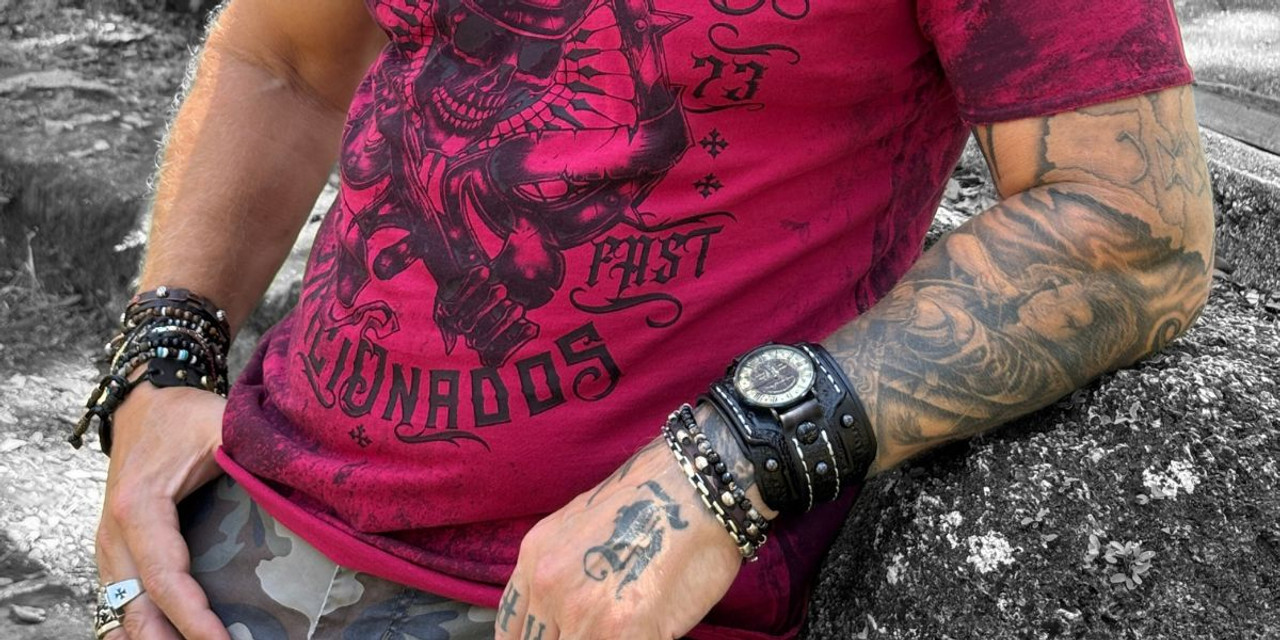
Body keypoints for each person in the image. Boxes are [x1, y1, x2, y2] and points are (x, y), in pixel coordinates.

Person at [84, 0, 1213, 638]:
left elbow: (1129, 221)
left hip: (586, 599)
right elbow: (283, 60)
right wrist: (162, 359)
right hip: (226, 540)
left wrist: (723, 465)